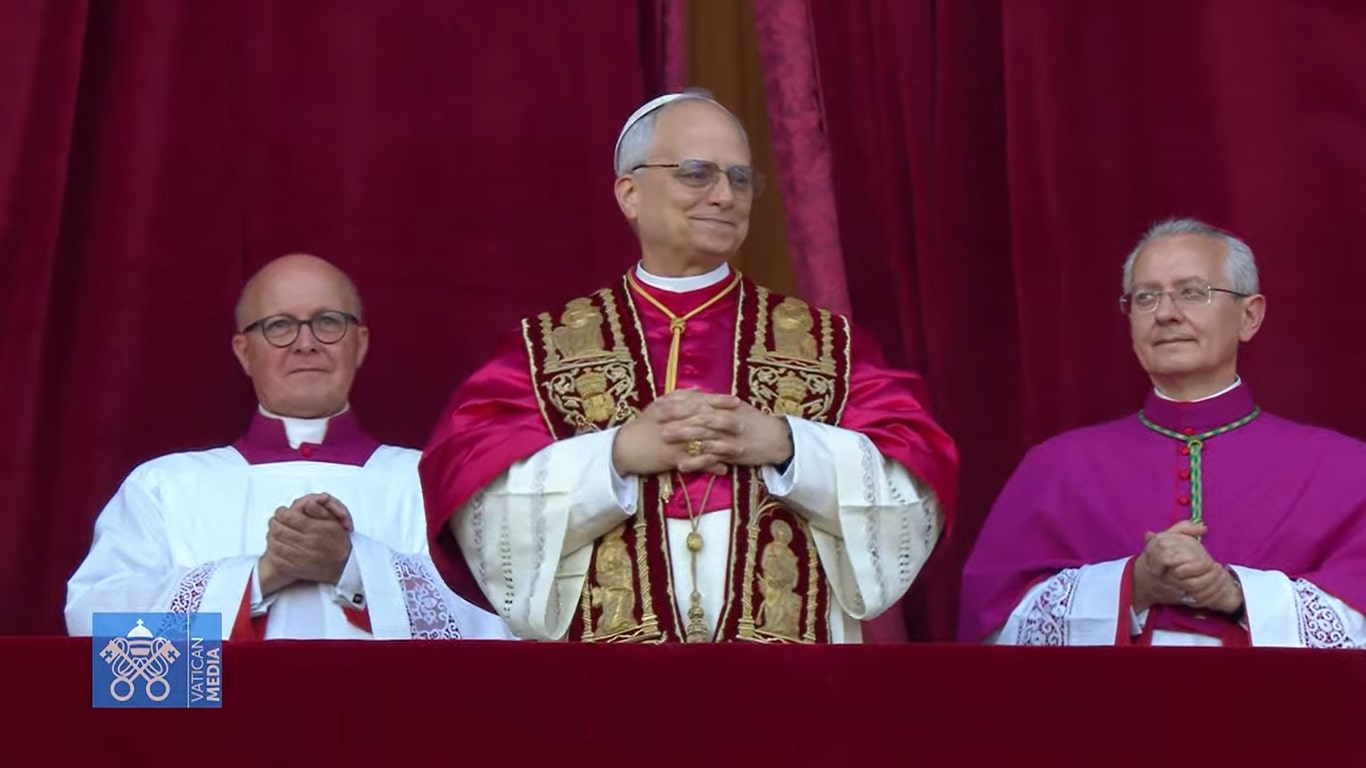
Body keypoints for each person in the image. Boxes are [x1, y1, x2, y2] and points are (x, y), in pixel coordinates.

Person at [419, 90, 958, 643]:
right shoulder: (543, 349)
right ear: (630, 193)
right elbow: (477, 502)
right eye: (697, 174)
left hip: (786, 683)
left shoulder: (829, 346)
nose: (725, 196)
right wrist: (618, 455)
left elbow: (914, 488)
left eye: (741, 178)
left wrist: (787, 444)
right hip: (602, 697)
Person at [959, 218, 1366, 647]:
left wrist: (1234, 593)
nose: (1166, 314)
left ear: (1249, 316)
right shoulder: (1054, 467)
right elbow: (992, 630)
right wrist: (1131, 585)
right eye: (1146, 297)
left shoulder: (1346, 469)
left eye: (1192, 293)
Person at [66, 254, 514, 641]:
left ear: (359, 344)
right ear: (244, 351)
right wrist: (259, 578)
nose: (306, 343)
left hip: (388, 738)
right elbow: (107, 643)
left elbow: (505, 626)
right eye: (279, 325)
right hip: (213, 739)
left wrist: (353, 567)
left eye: (328, 323)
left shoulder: (433, 483)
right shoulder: (163, 487)